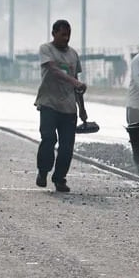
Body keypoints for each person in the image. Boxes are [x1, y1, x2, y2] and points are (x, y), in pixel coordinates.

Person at [34, 20, 89, 193]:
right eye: (62, 34)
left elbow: (77, 86)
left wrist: (82, 109)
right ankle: (43, 172)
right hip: (49, 103)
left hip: (68, 108)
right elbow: (52, 70)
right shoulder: (46, 49)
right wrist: (75, 81)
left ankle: (59, 179)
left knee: (67, 146)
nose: (66, 38)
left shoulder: (73, 54)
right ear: (54, 33)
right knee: (49, 139)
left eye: (68, 35)